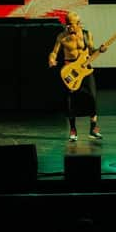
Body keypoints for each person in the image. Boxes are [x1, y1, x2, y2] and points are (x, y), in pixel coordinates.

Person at [48, 11, 105, 141]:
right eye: (67, 24)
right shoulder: (62, 36)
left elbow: (91, 50)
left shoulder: (86, 34)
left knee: (92, 97)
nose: (68, 27)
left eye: (71, 24)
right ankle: (73, 130)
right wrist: (51, 59)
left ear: (78, 23)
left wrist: (99, 50)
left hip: (85, 70)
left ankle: (93, 128)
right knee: (70, 102)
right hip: (71, 72)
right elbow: (54, 52)